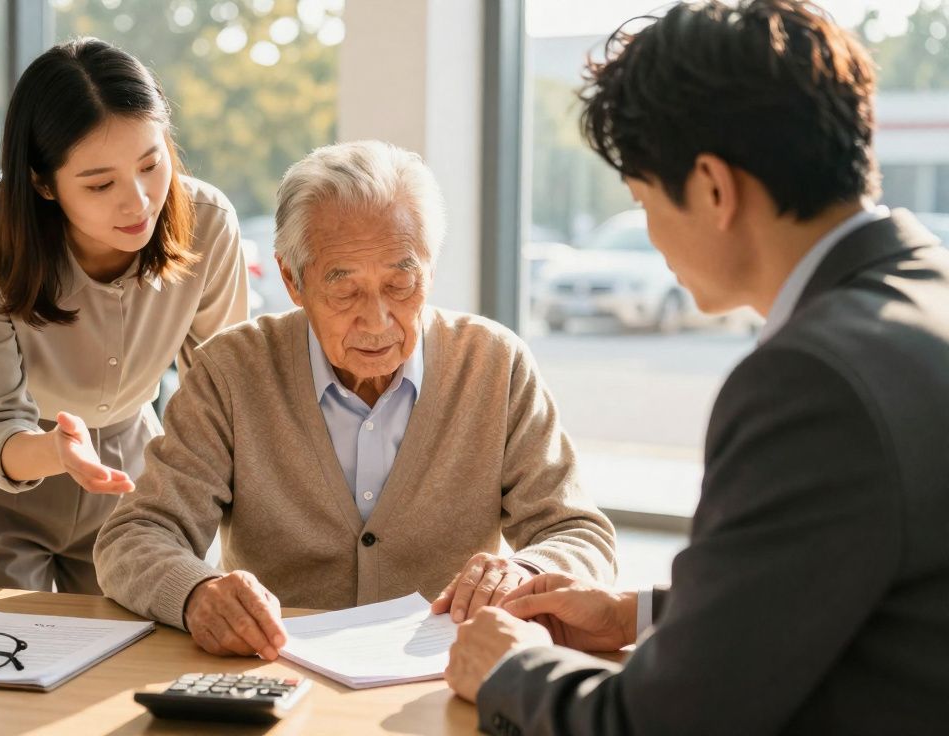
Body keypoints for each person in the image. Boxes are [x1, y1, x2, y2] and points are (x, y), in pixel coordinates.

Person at [445, 2, 949, 734]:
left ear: (713, 187)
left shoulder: (812, 380)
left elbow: (662, 724)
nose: (650, 235)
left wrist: (512, 668)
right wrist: (637, 614)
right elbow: (854, 578)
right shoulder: (924, 296)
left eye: (643, 199)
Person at [94, 140, 617, 662]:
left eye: (401, 283)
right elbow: (134, 536)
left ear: (430, 270)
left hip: (444, 677)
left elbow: (577, 532)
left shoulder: (495, 364)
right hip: (276, 672)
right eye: (344, 290)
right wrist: (195, 593)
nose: (376, 320)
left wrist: (524, 571)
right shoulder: (231, 371)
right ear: (291, 280)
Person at [0, 38, 249, 594]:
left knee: (129, 647)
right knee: (8, 645)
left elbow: (225, 396)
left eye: (151, 164)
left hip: (131, 478)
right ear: (42, 182)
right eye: (101, 184)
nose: (139, 201)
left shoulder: (208, 223)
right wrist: (56, 451)